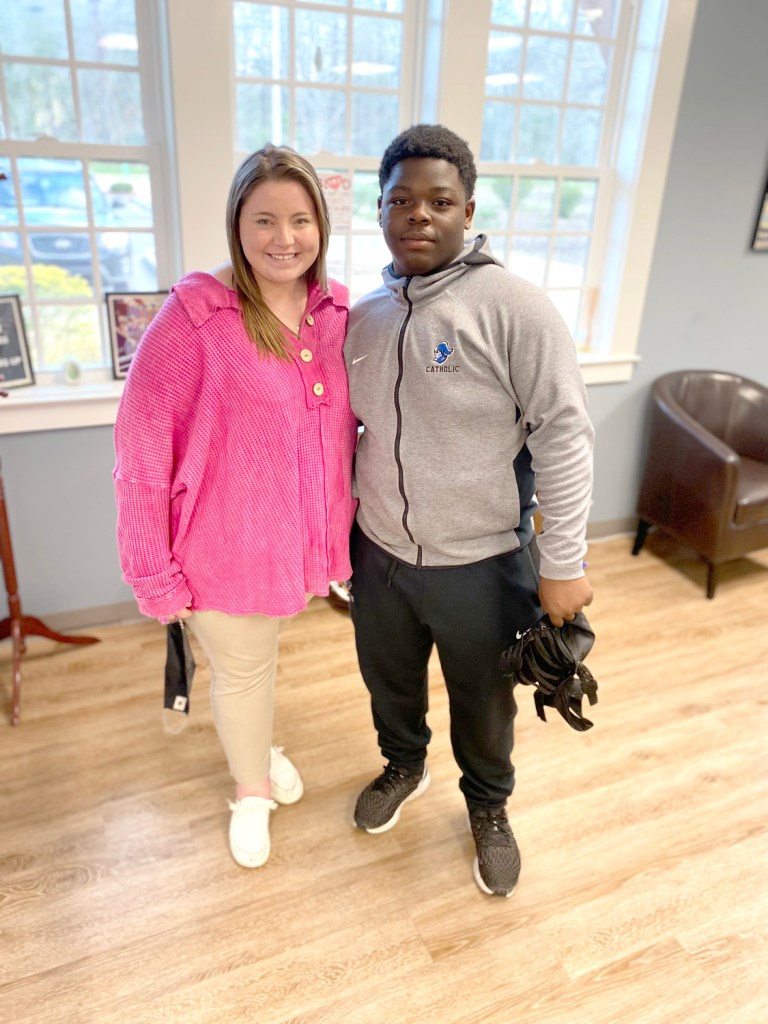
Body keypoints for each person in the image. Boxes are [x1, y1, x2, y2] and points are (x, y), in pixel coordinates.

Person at [344, 124, 594, 897]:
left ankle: (488, 808)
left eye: (439, 201)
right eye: (401, 200)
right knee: (388, 682)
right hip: (379, 552)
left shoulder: (515, 308)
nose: (419, 215)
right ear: (381, 211)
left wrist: (564, 565)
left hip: (480, 562)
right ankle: (404, 763)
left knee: (484, 704)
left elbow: (566, 436)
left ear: (469, 209)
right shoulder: (363, 318)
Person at [113, 145, 358, 869]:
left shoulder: (338, 311)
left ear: (322, 225)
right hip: (219, 553)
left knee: (256, 663)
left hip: (292, 548)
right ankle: (250, 790)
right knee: (245, 672)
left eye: (301, 220)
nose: (285, 239)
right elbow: (140, 454)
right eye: (265, 221)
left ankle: (256, 746)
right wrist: (152, 574)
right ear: (236, 225)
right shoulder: (194, 321)